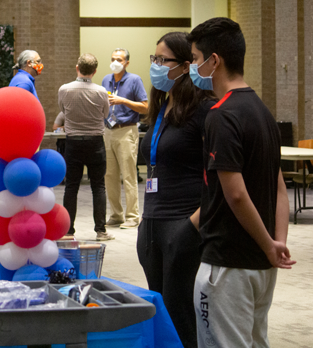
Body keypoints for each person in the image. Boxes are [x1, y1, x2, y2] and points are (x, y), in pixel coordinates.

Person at [188, 18, 296, 347]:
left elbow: (235, 195)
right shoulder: (262, 111)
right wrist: (276, 242)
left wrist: (268, 245)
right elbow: (280, 188)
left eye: (195, 59)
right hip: (262, 265)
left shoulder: (222, 114)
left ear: (214, 60)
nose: (193, 67)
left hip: (227, 265)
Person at [137, 32, 216, 348]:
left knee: (179, 311)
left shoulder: (204, 110)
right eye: (153, 59)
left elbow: (220, 178)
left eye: (162, 60)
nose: (155, 66)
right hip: (153, 222)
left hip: (184, 223)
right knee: (159, 310)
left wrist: (190, 227)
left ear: (185, 66)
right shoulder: (161, 106)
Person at [59, 53, 112, 241]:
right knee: (98, 186)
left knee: (71, 187)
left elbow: (63, 111)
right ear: (95, 71)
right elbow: (106, 113)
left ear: (77, 68)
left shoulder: (64, 90)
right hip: (96, 142)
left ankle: (68, 231)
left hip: (73, 142)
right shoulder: (100, 92)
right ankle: (101, 231)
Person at [102, 48, 148, 230]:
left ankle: (132, 216)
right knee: (109, 175)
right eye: (113, 58)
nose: (115, 62)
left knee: (129, 174)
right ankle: (116, 214)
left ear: (127, 62)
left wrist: (124, 101)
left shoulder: (135, 80)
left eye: (119, 59)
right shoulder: (106, 79)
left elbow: (145, 107)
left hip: (127, 130)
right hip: (108, 130)